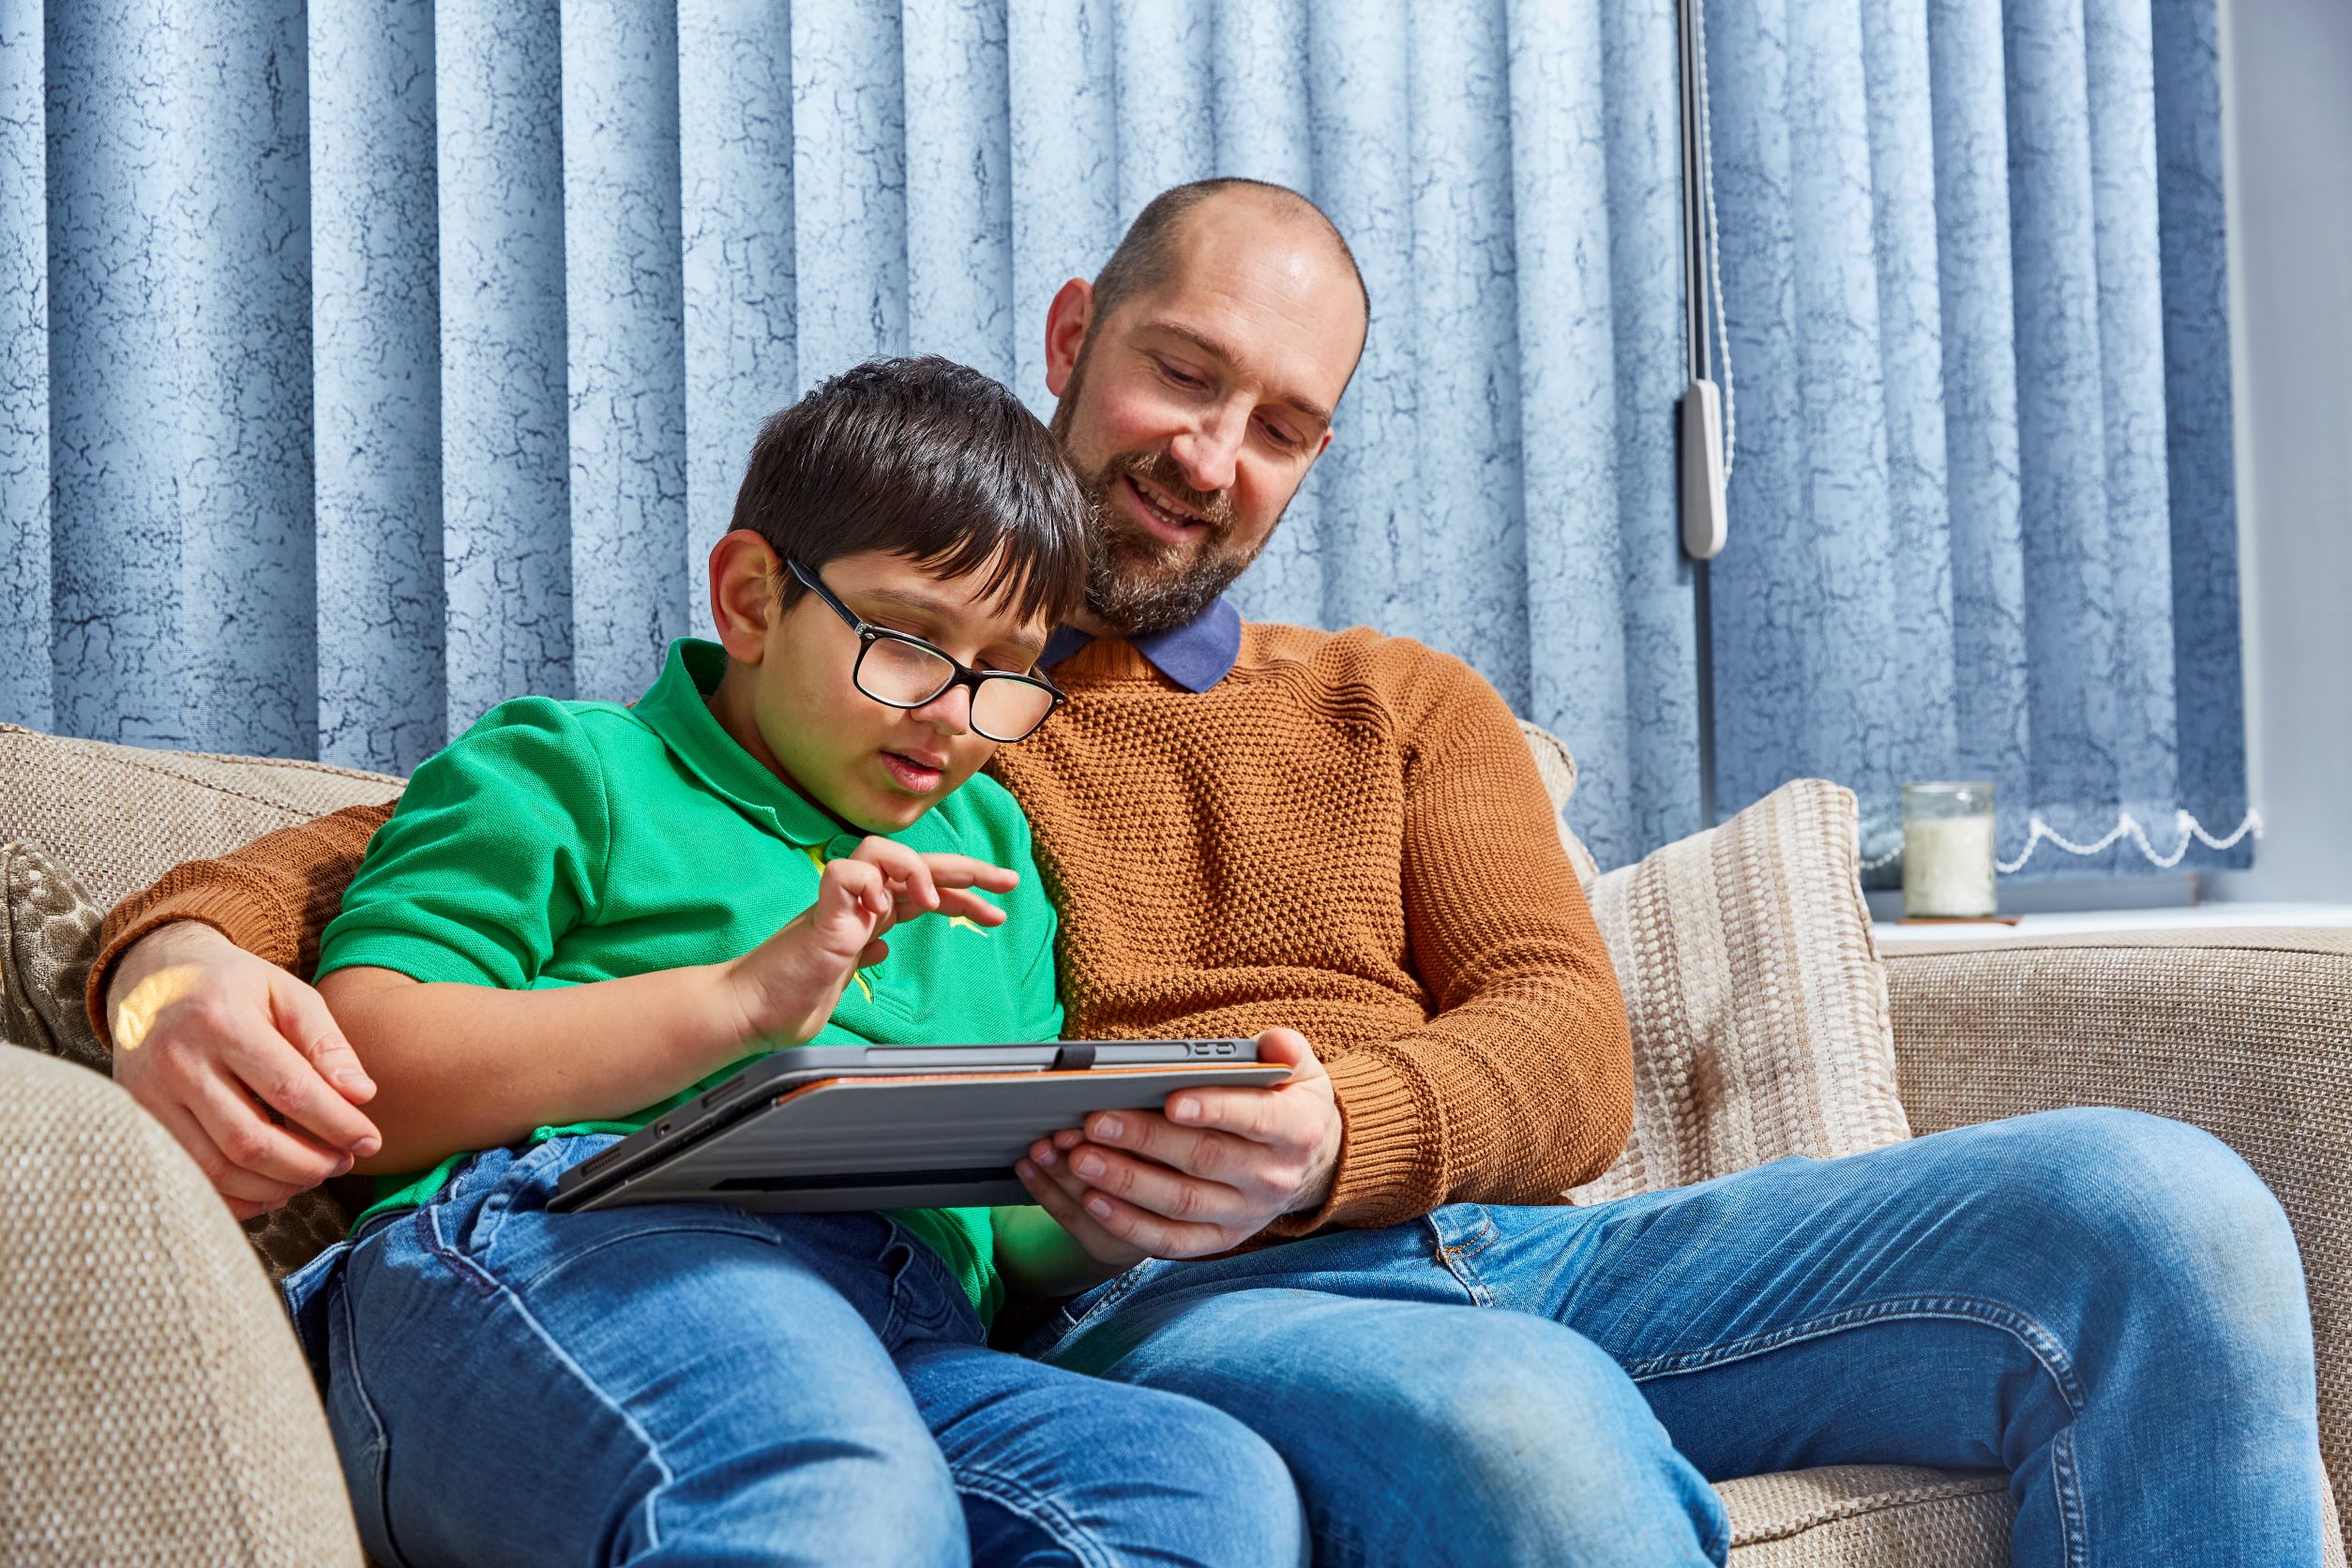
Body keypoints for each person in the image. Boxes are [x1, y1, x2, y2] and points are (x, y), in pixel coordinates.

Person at [97, 181, 2331, 1565]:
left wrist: (1345, 1128)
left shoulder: (1396, 703)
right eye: (1182, 373)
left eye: (1282, 419)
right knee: (1517, 1452)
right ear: (1075, 339)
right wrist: (168, 965)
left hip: (1520, 1239)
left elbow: (1564, 1040)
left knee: (2159, 1206)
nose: (1213, 450)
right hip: (1194, 1291)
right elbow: (403, 851)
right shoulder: (914, 703)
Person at [245, 355, 1306, 1566]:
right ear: (753, 600)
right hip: (575, 1245)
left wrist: (1126, 1198)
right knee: (839, 1499)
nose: (956, 718)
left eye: (1005, 672)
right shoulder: (572, 769)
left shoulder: (992, 845)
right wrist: (739, 1004)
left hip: (910, 1321)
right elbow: (366, 1078)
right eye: (909, 643)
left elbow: (1016, 1249)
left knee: (1200, 1487)